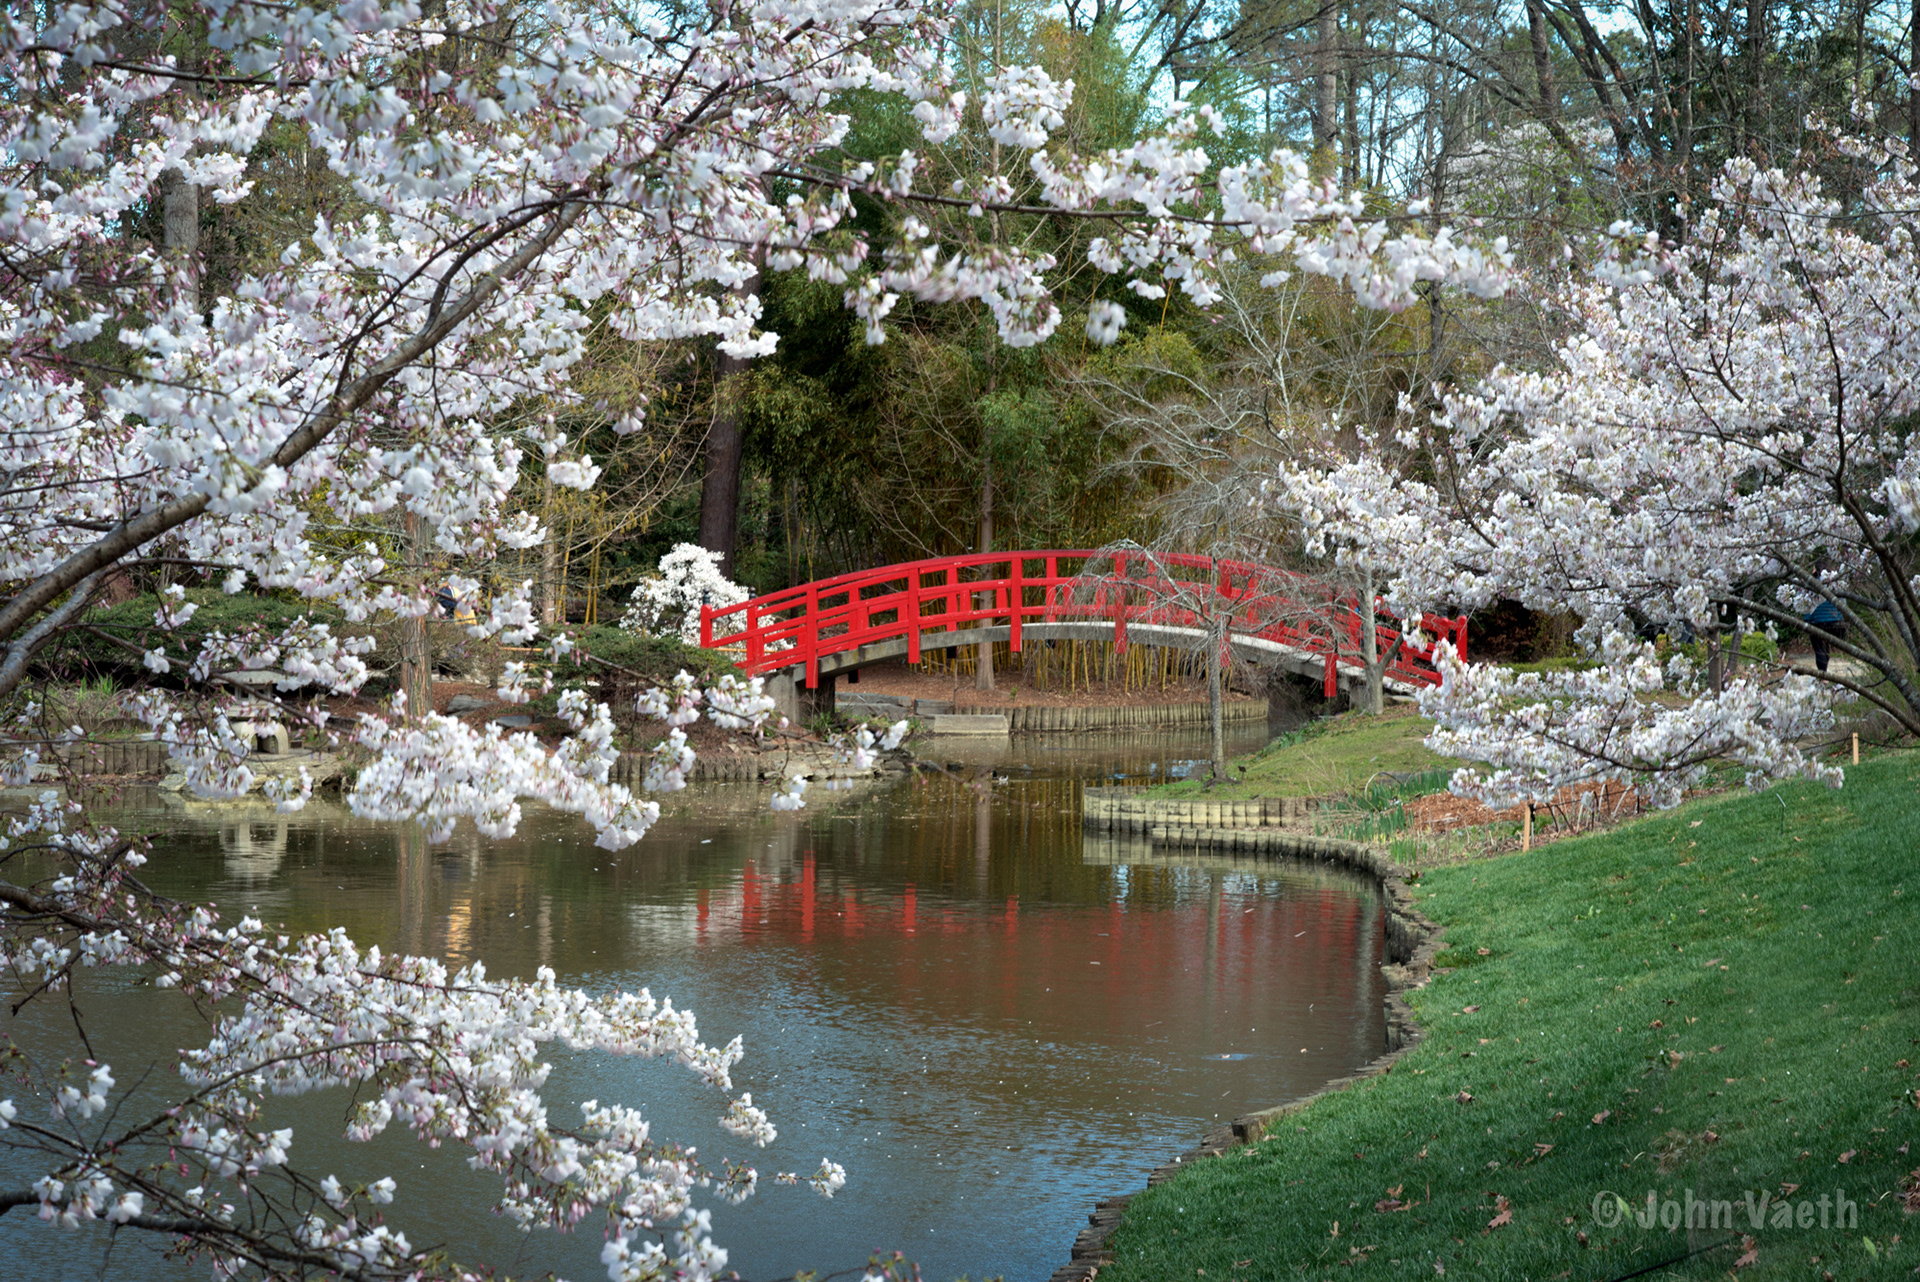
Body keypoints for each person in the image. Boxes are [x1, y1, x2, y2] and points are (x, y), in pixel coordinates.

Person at [1804, 595, 1845, 673]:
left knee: (1819, 649)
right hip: (1835, 619)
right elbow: (1843, 602)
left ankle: (1823, 674)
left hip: (1817, 620)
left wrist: (1807, 619)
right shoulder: (1836, 586)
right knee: (1824, 648)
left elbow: (1806, 605)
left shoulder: (1810, 587)